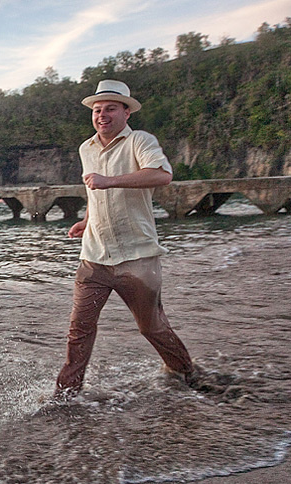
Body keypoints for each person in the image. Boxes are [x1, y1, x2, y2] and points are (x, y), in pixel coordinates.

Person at [53, 79, 196, 401]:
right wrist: (87, 220)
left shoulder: (140, 141)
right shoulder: (85, 148)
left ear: (126, 112)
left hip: (137, 256)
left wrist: (111, 181)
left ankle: (185, 373)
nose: (102, 115)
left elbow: (162, 175)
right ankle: (66, 395)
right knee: (79, 330)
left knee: (152, 327)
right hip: (94, 256)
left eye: (110, 109)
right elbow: (94, 191)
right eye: (97, 110)